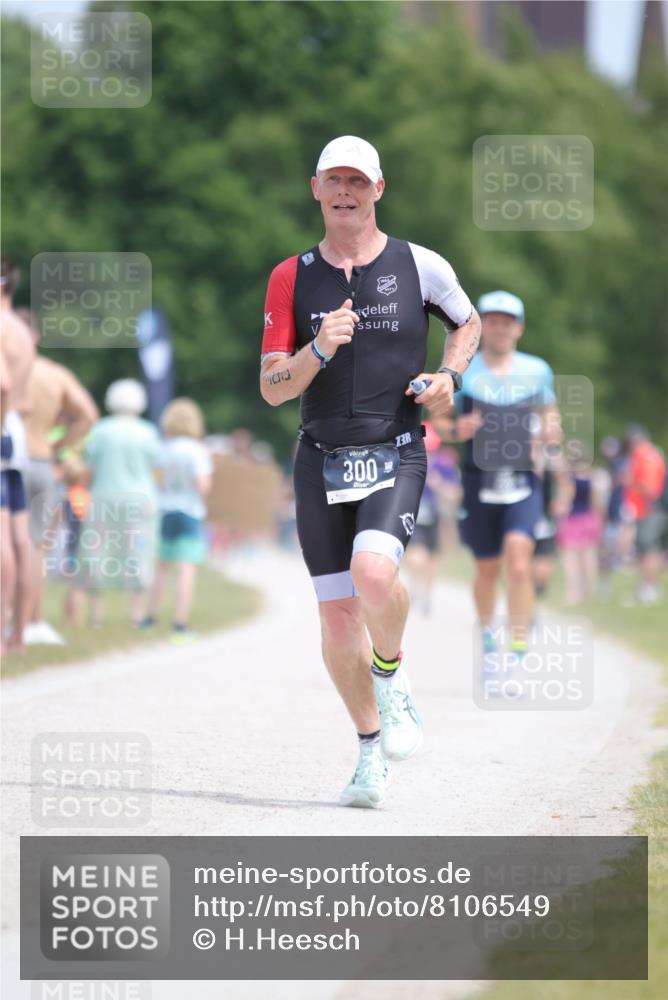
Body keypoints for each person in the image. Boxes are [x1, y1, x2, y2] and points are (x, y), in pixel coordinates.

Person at [259, 136, 480, 808]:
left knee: (374, 573)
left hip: (396, 449)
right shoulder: (290, 276)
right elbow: (272, 387)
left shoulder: (420, 265)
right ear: (315, 189)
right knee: (337, 623)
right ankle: (369, 750)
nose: (345, 192)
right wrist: (318, 349)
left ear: (378, 189)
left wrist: (449, 376)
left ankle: (391, 673)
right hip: (319, 459)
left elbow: (467, 324)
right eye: (334, 180)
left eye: (358, 181)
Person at [444, 290, 567, 679]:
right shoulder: (463, 370)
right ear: (482, 327)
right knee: (486, 569)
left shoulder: (537, 370)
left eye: (507, 322)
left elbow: (551, 418)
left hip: (523, 478)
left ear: (519, 328)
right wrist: (456, 430)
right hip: (478, 479)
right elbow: (438, 423)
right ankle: (488, 643)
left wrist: (551, 431)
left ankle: (516, 653)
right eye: (492, 321)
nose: (500, 328)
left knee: (518, 562)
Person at [16, 308, 98, 644]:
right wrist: (57, 445)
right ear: (37, 335)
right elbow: (88, 415)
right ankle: (30, 623)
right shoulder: (54, 374)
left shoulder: (8, 369)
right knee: (37, 546)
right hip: (41, 461)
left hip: (9, 460)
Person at [78, 379, 160, 626]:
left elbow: (88, 468)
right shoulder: (148, 432)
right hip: (140, 499)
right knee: (139, 553)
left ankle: (96, 615)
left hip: (103, 497)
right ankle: (136, 613)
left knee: (97, 553)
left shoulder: (100, 430)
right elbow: (156, 468)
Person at [141, 398, 212, 642]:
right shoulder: (197, 450)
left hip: (166, 510)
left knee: (161, 567)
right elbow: (202, 485)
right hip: (189, 511)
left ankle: (149, 619)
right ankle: (179, 625)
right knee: (186, 569)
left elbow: (157, 481)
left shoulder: (162, 449)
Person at [1, 256, 35, 653]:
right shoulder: (22, 331)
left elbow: (3, 383)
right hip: (17, 430)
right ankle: (18, 633)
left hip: (2, 423)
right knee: (21, 538)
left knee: (2, 537)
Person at [622, 424, 666, 604]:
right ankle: (645, 586)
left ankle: (650, 587)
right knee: (645, 549)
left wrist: (631, 483)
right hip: (645, 510)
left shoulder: (647, 456)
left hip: (650, 510)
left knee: (649, 550)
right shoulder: (645, 455)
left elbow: (650, 488)